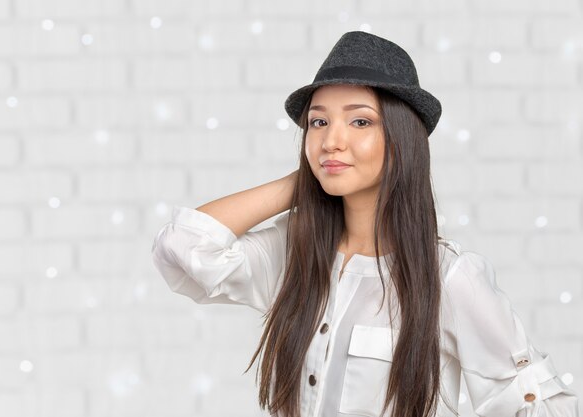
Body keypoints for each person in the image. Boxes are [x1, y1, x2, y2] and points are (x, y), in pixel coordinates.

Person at [151, 31, 579, 417]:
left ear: (401, 140)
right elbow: (183, 248)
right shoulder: (294, 249)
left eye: (360, 121)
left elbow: (540, 408)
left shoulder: (448, 278)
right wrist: (306, 177)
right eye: (319, 122)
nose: (331, 139)